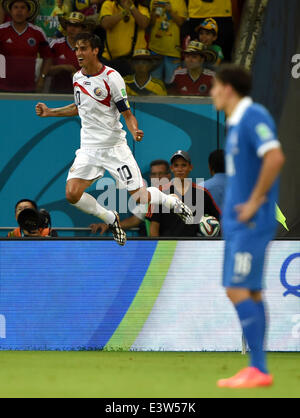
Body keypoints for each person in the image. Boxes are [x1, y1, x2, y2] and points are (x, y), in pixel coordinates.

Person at [35, 32, 193, 246]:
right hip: (89, 149)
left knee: (141, 198)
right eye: (77, 48)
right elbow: (79, 107)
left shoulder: (111, 77)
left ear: (95, 50)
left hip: (114, 148)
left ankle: (171, 201)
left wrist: (135, 130)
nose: (79, 53)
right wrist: (50, 112)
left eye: (83, 48)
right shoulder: (77, 78)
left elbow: (127, 113)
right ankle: (110, 218)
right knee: (72, 194)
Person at [211, 64, 285, 388]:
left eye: (214, 86)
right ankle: (258, 368)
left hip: (252, 220)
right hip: (238, 223)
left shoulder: (253, 115)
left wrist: (255, 201)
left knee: (237, 288)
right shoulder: (236, 123)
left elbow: (275, 157)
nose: (211, 93)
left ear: (227, 88)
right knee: (250, 290)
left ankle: (258, 367)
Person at [146, 150, 220, 237]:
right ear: (172, 168)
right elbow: (154, 227)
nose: (180, 169)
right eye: (176, 165)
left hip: (194, 247)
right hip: (166, 248)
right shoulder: (161, 193)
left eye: (184, 165)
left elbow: (218, 220)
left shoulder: (202, 193)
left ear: (190, 167)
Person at [90, 159, 171, 236]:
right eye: (154, 174)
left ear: (168, 175)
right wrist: (108, 226)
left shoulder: (178, 194)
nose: (157, 177)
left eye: (161, 174)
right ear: (150, 176)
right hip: (159, 247)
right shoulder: (148, 198)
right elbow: (134, 220)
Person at [0, 0, 52, 92]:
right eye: (16, 7)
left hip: (29, 87)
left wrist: (42, 78)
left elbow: (48, 58)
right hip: (3, 87)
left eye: (23, 7)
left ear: (28, 13)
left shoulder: (38, 32)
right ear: (10, 11)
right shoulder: (2, 30)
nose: (19, 11)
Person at [99, 0, 150, 76]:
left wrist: (132, 7)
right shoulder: (109, 4)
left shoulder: (142, 8)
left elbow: (144, 24)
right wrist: (124, 11)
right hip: (110, 59)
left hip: (134, 61)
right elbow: (106, 24)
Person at [48, 12, 92, 93]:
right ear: (66, 27)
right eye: (69, 25)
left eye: (76, 26)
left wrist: (77, 75)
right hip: (56, 93)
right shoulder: (56, 44)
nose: (72, 28)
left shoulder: (88, 49)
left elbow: (93, 75)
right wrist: (63, 67)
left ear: (83, 29)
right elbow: (46, 71)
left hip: (81, 93)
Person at [148, 0, 187, 85]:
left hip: (173, 50)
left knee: (173, 84)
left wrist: (170, 11)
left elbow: (181, 22)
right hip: (155, 49)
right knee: (155, 84)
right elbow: (150, 24)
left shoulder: (180, 2)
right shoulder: (154, 1)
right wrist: (153, 11)